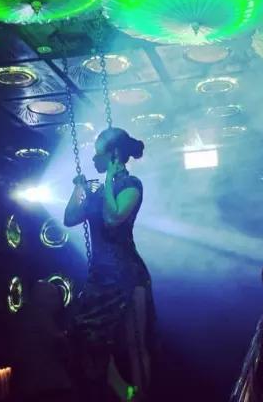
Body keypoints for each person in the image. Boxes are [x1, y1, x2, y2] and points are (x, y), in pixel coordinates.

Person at [64, 127, 156, 402]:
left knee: (135, 342)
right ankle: (124, 392)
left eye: (98, 153)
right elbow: (69, 218)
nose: (94, 158)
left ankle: (141, 395)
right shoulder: (97, 193)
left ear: (114, 154)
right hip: (101, 275)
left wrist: (108, 181)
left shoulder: (131, 185)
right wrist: (79, 189)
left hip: (127, 273)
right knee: (85, 334)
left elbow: (114, 218)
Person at [10, 280, 74, 402]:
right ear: (43, 299)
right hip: (48, 386)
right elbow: (62, 346)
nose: (59, 301)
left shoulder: (24, 314)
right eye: (53, 296)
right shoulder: (41, 317)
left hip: (28, 386)